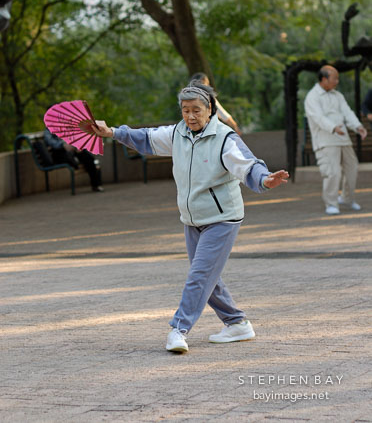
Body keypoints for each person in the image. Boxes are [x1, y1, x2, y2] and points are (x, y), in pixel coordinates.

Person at [91, 82, 289, 354]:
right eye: (185, 110)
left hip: (223, 218)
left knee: (199, 275)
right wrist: (112, 132)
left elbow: (248, 165)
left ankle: (178, 329)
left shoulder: (224, 138)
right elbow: (145, 138)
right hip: (192, 220)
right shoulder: (178, 133)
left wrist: (265, 180)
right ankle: (237, 323)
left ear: (210, 110)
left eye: (197, 110)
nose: (191, 116)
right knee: (208, 276)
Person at [304, 65, 367, 216]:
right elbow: (318, 118)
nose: (337, 81)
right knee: (332, 173)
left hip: (343, 139)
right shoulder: (312, 97)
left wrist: (357, 126)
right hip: (325, 141)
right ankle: (331, 203)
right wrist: (333, 127)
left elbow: (347, 112)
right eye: (335, 78)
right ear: (324, 79)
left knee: (352, 168)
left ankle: (347, 198)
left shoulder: (337, 95)